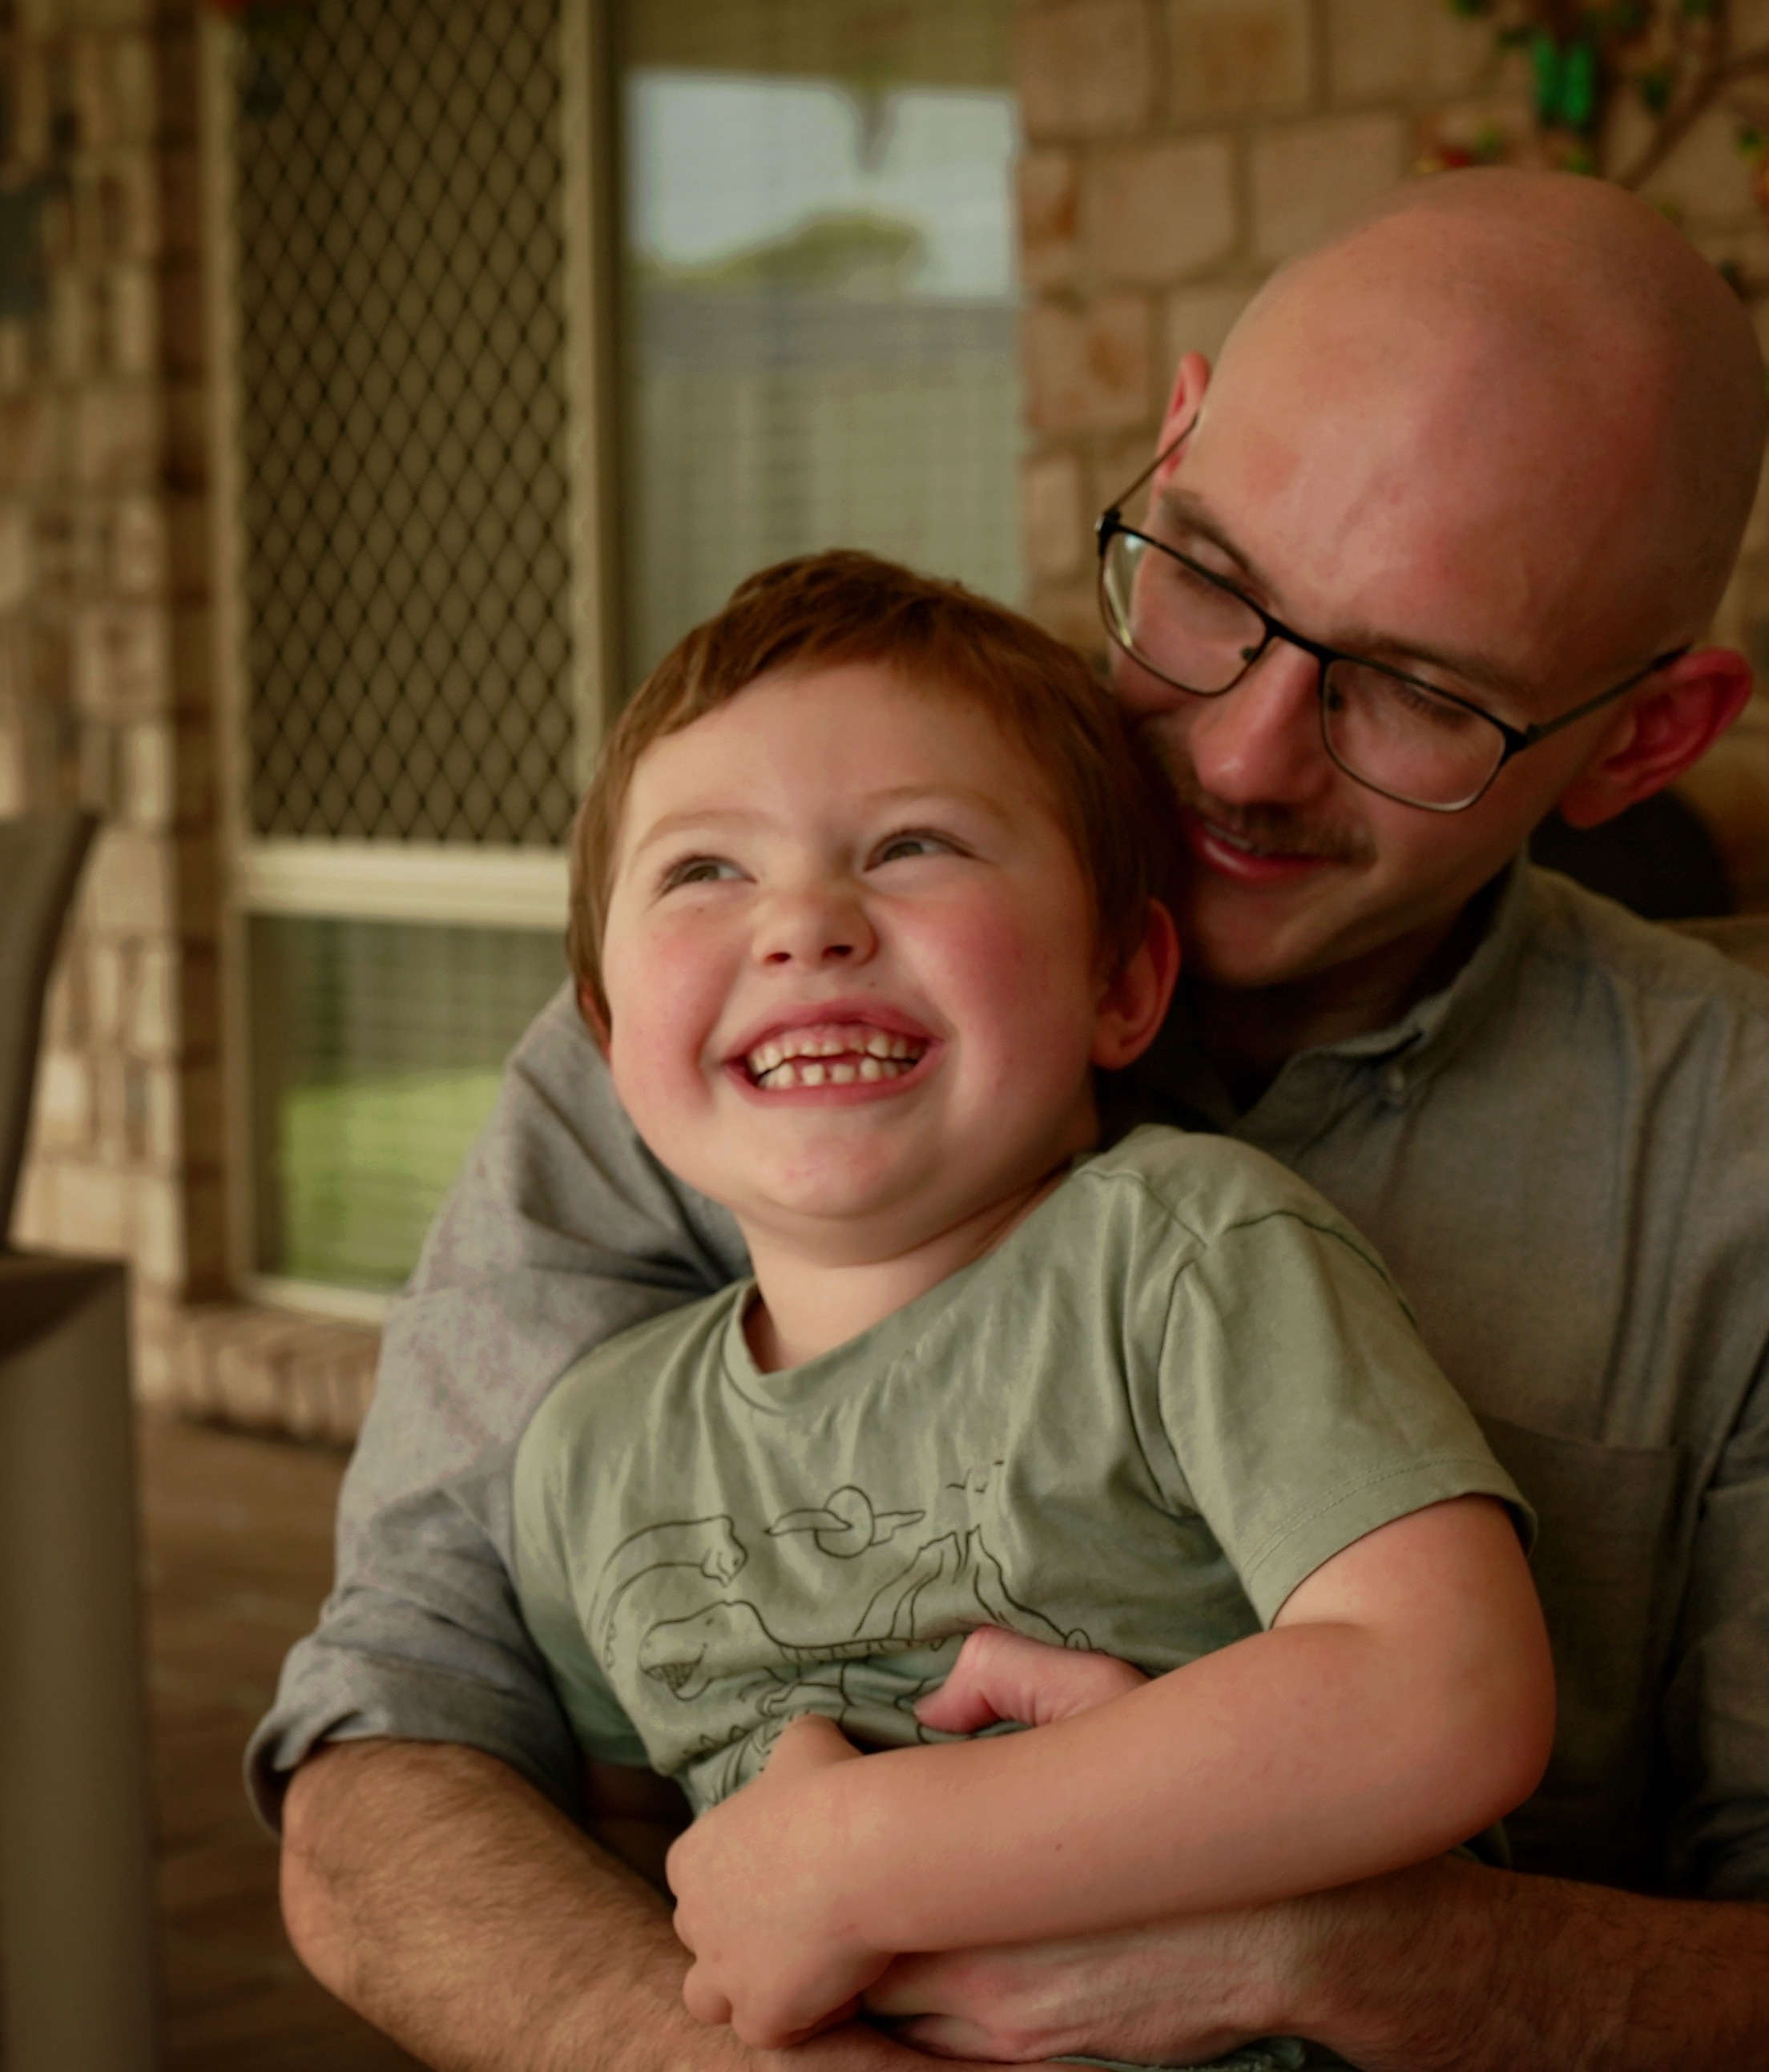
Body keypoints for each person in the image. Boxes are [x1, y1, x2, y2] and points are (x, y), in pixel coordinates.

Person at [259, 167, 1769, 2072]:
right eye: (1208, 584)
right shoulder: (737, 1022)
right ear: (1169, 437)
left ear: (1645, 739)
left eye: (1420, 694)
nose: (1243, 752)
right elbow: (392, 1767)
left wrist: (1326, 1952)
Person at [513, 547, 1550, 2064]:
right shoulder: (588, 1456)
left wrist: (859, 1853)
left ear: (1122, 983)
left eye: (915, 844)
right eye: (704, 869)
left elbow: (1446, 1689)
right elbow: (627, 1869)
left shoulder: (1182, 1256)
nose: (807, 922)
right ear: (606, 1035)